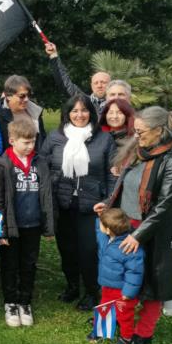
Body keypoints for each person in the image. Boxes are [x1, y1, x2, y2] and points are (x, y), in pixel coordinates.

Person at [95, 106, 172, 344]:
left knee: (152, 284)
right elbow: (124, 186)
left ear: (159, 131)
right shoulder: (138, 152)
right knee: (117, 277)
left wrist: (138, 236)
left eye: (142, 132)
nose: (137, 136)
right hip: (125, 225)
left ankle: (143, 333)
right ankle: (111, 322)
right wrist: (107, 205)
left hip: (153, 231)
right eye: (135, 131)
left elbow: (163, 207)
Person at [42, 94, 116, 311]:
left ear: (91, 113)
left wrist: (108, 200)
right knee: (67, 249)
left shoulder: (103, 138)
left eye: (84, 110)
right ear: (67, 113)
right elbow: (43, 163)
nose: (79, 115)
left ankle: (92, 292)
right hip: (63, 203)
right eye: (74, 110)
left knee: (88, 250)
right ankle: (72, 286)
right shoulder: (56, 136)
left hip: (92, 205)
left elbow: (112, 174)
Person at [0, 118, 54, 328]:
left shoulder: (40, 162)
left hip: (33, 225)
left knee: (29, 264)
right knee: (10, 265)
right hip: (10, 226)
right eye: (25, 142)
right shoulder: (1, 165)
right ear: (12, 141)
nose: (30, 146)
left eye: (33, 141)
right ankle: (10, 302)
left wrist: (49, 227)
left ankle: (25, 302)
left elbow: (46, 196)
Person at [96, 208, 145, 344]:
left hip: (122, 292)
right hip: (107, 286)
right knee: (104, 308)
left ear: (108, 229)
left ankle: (126, 338)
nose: (99, 225)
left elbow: (135, 272)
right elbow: (98, 228)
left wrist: (128, 293)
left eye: (101, 223)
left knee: (125, 316)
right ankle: (101, 331)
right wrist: (101, 215)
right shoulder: (105, 236)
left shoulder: (129, 247)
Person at [44, 41, 110, 112]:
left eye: (103, 82)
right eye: (96, 83)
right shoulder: (84, 101)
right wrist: (53, 55)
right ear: (91, 85)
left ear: (111, 84)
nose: (99, 85)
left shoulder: (120, 104)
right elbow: (65, 83)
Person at [0, 75, 47, 152]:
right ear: (8, 96)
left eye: (28, 95)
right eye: (22, 96)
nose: (26, 99)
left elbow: (43, 139)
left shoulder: (35, 111)